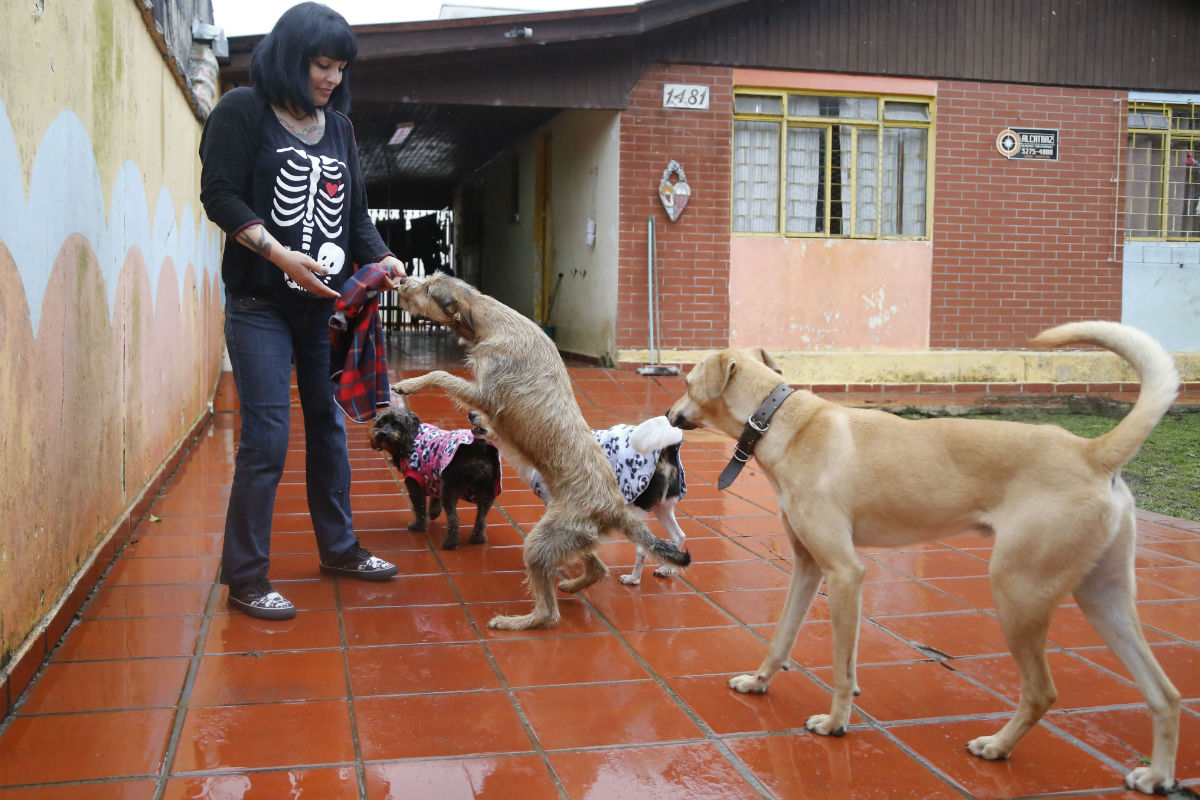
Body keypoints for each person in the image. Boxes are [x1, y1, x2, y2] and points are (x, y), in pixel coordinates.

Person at [199, 2, 405, 620]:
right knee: (266, 437)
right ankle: (246, 576)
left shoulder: (337, 127)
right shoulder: (242, 111)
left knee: (330, 427)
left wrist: (386, 258)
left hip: (325, 309)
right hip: (260, 300)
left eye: (340, 68)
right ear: (292, 58)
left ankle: (339, 549)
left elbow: (357, 217)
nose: (332, 78)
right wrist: (281, 254)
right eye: (322, 64)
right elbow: (220, 195)